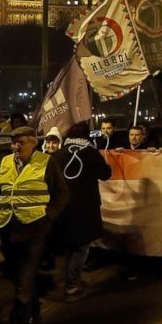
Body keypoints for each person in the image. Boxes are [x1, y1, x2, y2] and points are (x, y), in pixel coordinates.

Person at [0, 127, 69, 324]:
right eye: (13, 142)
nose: (16, 147)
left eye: (21, 142)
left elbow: (62, 193)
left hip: (34, 230)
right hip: (8, 229)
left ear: (33, 144)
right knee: (18, 279)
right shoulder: (5, 162)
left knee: (22, 288)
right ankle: (34, 309)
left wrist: (48, 217)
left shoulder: (46, 162)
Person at [52, 123, 112, 301]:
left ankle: (67, 281)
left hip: (62, 208)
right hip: (84, 208)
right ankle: (72, 286)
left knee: (68, 245)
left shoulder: (58, 154)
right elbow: (105, 174)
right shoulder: (90, 153)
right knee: (82, 247)